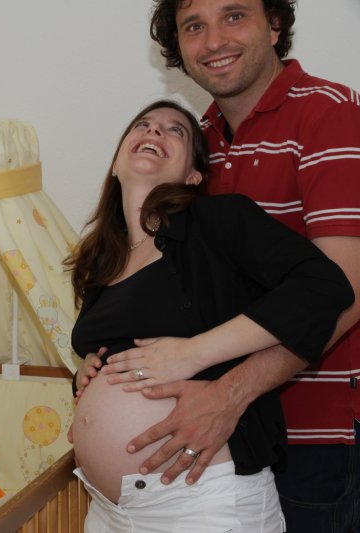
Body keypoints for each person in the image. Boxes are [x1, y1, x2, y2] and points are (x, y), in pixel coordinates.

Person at [67, 98, 353, 532]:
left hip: (199, 499)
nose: (154, 131)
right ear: (116, 165)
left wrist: (195, 352)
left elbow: (325, 286)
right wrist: (85, 376)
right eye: (142, 124)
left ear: (194, 176)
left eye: (175, 130)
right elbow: (115, 352)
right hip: (109, 512)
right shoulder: (102, 259)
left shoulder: (219, 221)